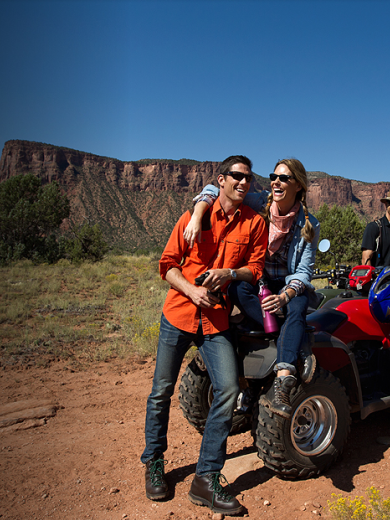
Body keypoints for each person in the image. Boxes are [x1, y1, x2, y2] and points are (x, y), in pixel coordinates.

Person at [141, 155, 267, 516]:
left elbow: (255, 268)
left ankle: (205, 478)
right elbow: (167, 265)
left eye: (248, 178)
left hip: (216, 321)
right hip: (179, 314)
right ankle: (153, 462)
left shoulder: (254, 223)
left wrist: (230, 273)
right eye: (237, 177)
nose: (244, 183)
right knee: (161, 390)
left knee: (228, 388)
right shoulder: (195, 215)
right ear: (222, 179)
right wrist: (192, 292)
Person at [186, 158, 320, 418]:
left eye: (284, 178)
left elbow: (303, 272)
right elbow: (217, 190)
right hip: (257, 281)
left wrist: (284, 296)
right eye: (274, 176)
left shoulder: (309, 224)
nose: (276, 182)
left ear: (298, 186)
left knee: (298, 304)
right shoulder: (260, 202)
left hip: (286, 285)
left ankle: (282, 380)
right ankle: (298, 342)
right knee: (236, 289)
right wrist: (197, 213)